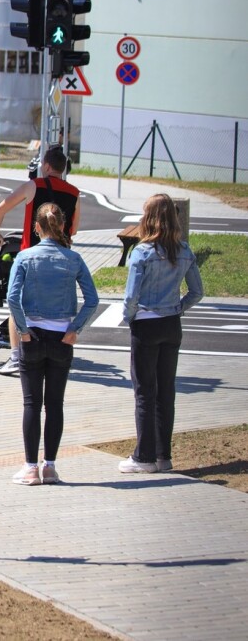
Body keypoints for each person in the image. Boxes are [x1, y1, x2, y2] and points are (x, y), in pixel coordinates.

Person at [6, 203, 98, 486]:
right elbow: (92, 299)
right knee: (55, 404)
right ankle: (51, 466)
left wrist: (22, 330)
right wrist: (75, 328)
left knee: (31, 403)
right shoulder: (73, 258)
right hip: (62, 338)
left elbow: (12, 298)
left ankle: (30, 467)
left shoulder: (25, 256)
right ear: (61, 226)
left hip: (32, 334)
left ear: (37, 227)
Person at [118, 194, 204, 474]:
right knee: (166, 391)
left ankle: (143, 457)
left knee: (144, 391)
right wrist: (178, 308)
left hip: (146, 322)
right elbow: (198, 291)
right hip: (171, 323)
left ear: (149, 218)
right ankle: (163, 456)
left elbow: (131, 295)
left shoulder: (142, 252)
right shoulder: (184, 250)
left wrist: (129, 317)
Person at [0, 145, 81, 376]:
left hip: (32, 254)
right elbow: (75, 229)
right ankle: (52, 352)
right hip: (62, 256)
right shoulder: (74, 192)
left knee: (17, 304)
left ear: (47, 166)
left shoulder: (34, 185)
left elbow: (1, 208)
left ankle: (16, 358)